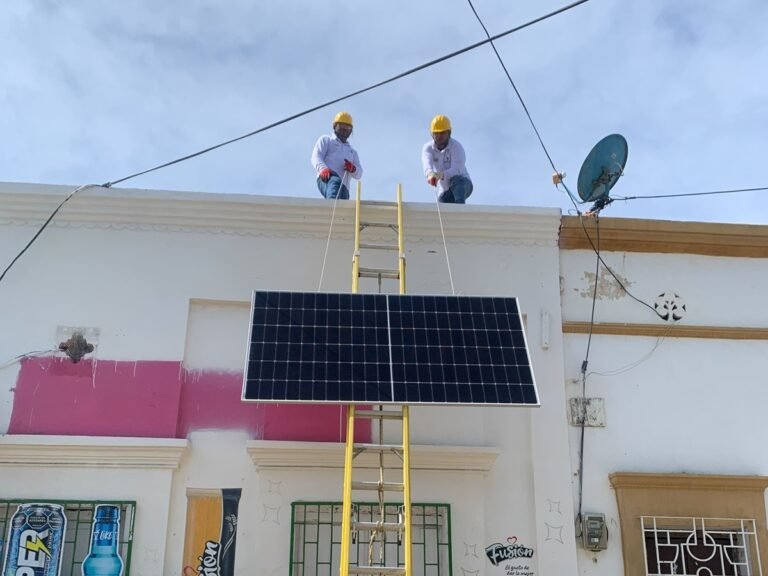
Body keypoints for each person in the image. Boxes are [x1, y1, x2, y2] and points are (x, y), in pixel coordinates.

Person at [311, 112, 363, 200]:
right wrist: (323, 169)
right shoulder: (326, 140)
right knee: (335, 182)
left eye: (347, 127)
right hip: (327, 178)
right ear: (335, 127)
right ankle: (330, 208)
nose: (344, 130)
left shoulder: (352, 152)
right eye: (341, 126)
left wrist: (352, 169)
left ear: (351, 131)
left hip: (344, 186)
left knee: (343, 198)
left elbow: (359, 173)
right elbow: (316, 156)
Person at [421, 114, 473, 204]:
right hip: (446, 190)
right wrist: (430, 174)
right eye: (436, 133)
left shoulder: (456, 147)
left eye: (442, 133)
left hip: (463, 184)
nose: (439, 136)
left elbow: (457, 170)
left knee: (456, 180)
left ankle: (460, 209)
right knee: (441, 203)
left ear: (449, 133)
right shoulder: (428, 148)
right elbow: (427, 164)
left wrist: (441, 175)